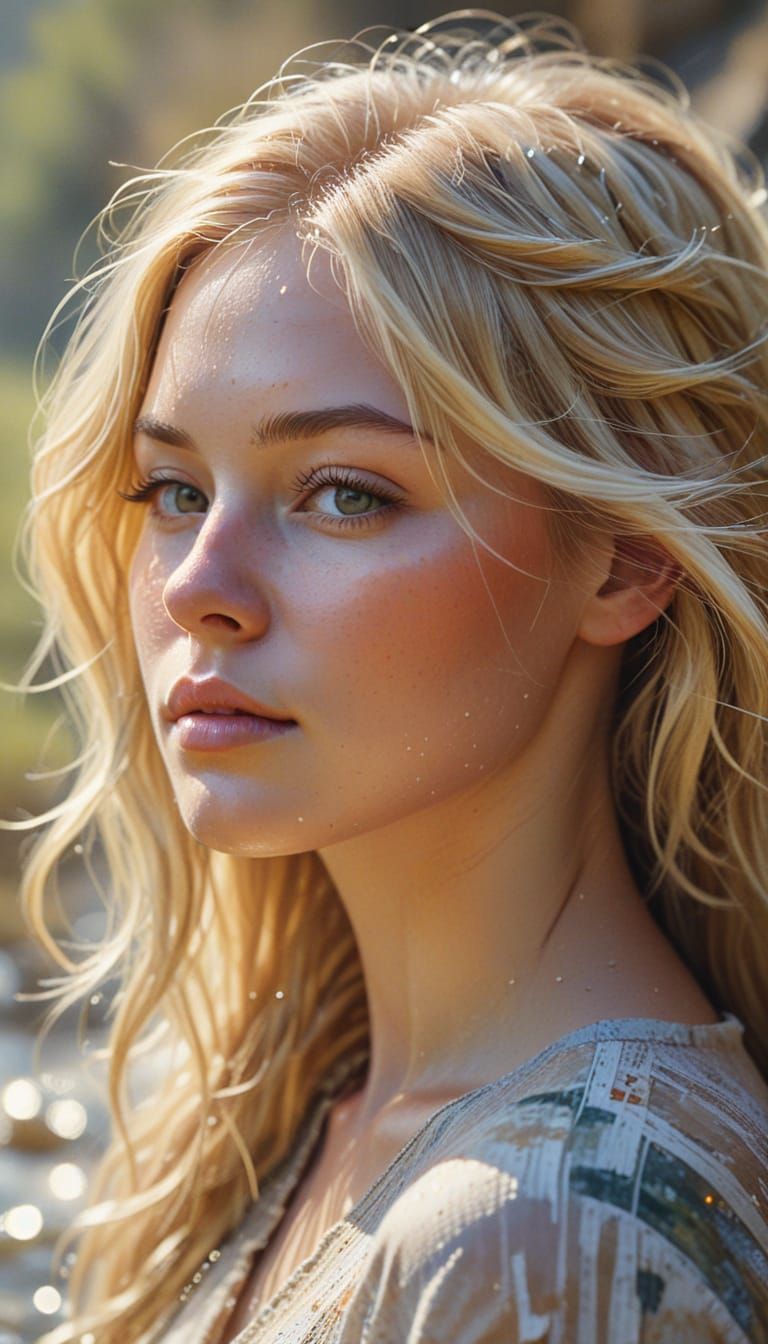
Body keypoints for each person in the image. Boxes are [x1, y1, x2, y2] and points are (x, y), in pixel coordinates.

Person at [4, 9, 768, 1343]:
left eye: (345, 493)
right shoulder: (311, 1119)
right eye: (175, 489)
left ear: (627, 560)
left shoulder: (545, 1245)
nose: (195, 586)